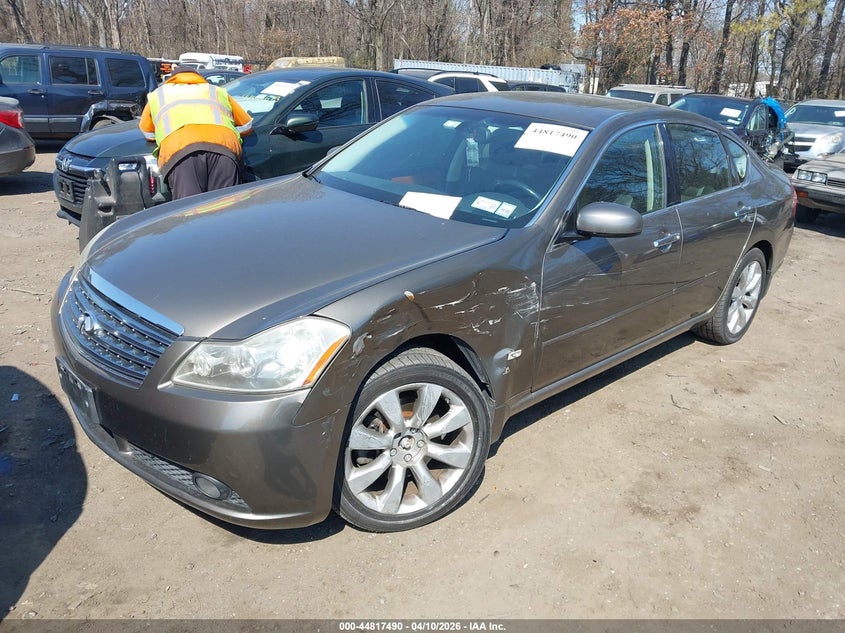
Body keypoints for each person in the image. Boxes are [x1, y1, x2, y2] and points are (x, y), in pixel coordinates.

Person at [139, 65, 253, 200]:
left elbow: (147, 133)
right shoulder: (216, 91)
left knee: (190, 207)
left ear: (171, 79)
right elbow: (246, 126)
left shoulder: (159, 95)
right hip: (224, 149)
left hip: (181, 153)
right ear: (199, 78)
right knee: (224, 205)